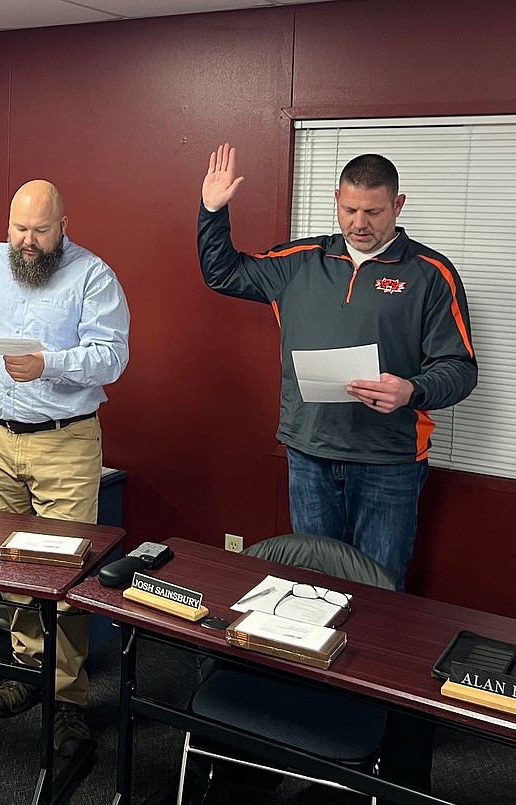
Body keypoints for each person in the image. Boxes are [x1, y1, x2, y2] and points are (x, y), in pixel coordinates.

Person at [198, 143, 476, 591]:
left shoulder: (429, 273)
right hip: (310, 451)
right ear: (336, 200)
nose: (359, 224)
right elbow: (223, 273)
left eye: (373, 212)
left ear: (398, 205)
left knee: (379, 593)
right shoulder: (300, 262)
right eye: (349, 210)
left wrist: (412, 389)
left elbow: (460, 368)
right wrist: (213, 210)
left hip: (389, 458)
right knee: (309, 588)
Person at [0, 181, 129, 756]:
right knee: (14, 564)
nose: (27, 242)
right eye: (18, 228)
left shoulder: (92, 276)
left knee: (61, 571)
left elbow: (112, 357)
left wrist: (50, 364)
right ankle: (29, 669)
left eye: (39, 230)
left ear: (64, 225)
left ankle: (69, 699)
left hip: (64, 443)